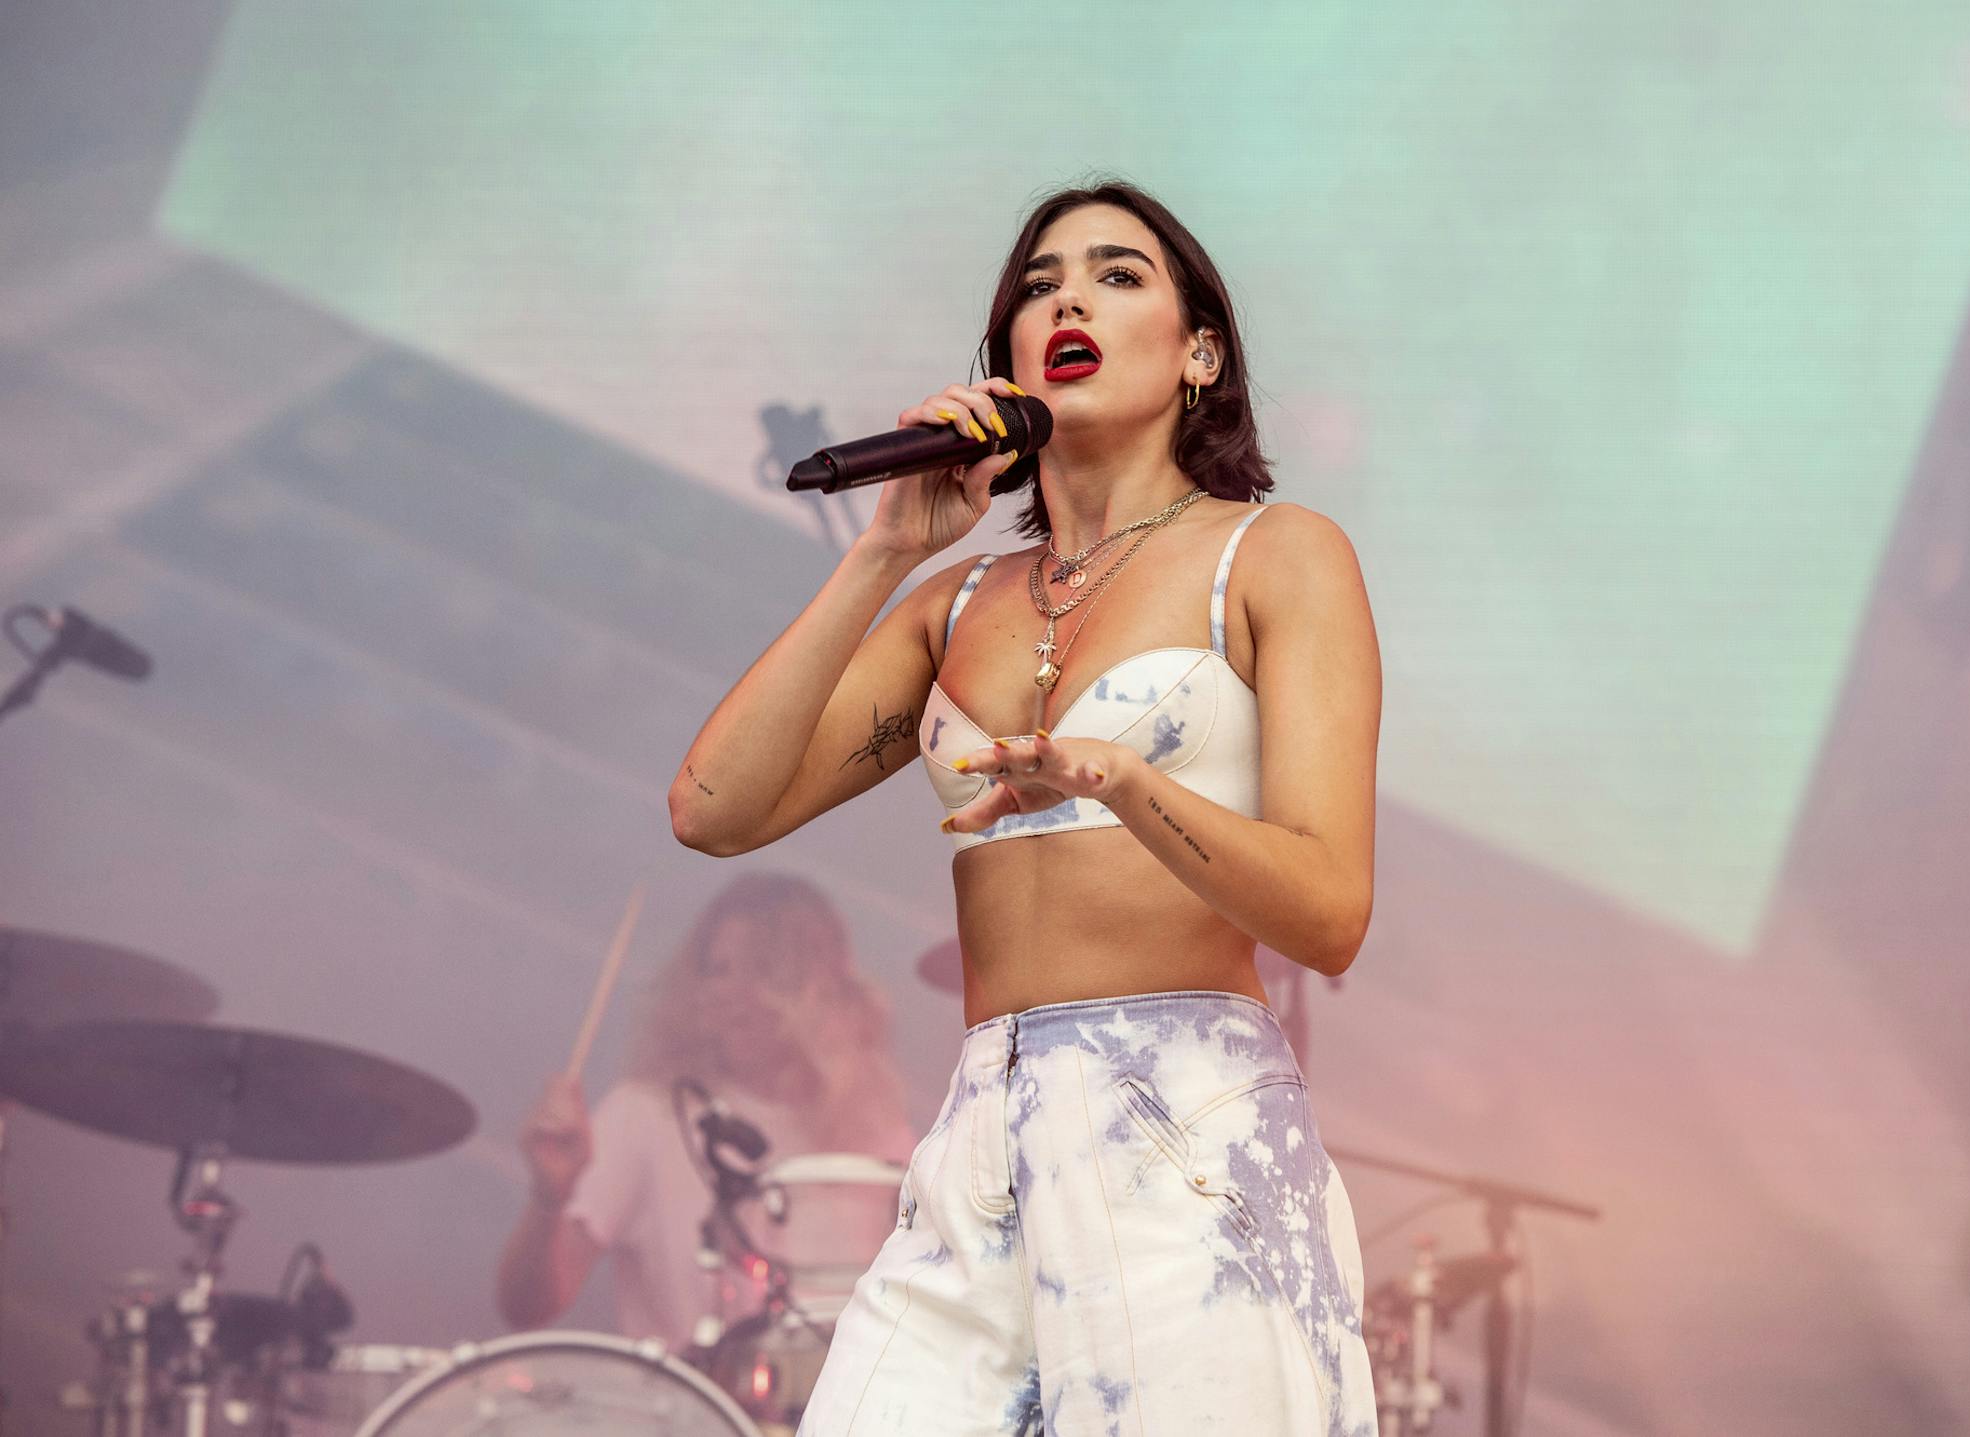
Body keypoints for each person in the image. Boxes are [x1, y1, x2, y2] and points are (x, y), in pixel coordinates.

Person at [670, 180, 1381, 1436]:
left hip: (1190, 1136)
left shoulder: (1274, 555)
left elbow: (1329, 914)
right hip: (986, 1129)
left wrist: (1127, 780)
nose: (1068, 298)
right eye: (1039, 285)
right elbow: (714, 810)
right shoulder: (962, 600)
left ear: (1200, 349)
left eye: (1118, 276)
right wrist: (888, 548)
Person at [495, 871, 914, 1351]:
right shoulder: (647, 1115)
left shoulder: (878, 1136)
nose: (727, 991)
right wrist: (550, 1198)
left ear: (818, 987)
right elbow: (526, 1306)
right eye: (716, 970)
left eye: (760, 971)